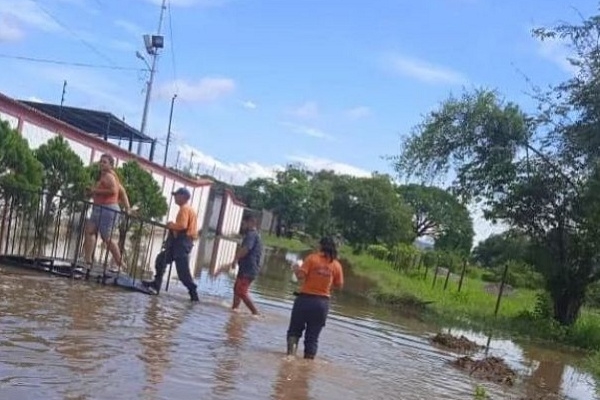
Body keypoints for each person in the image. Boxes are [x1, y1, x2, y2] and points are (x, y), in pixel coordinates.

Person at [286, 237, 344, 360]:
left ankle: (290, 358)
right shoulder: (336, 265)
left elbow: (301, 276)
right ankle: (308, 365)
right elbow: (339, 285)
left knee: (294, 332)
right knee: (312, 338)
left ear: (321, 246)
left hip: (305, 300)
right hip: (322, 304)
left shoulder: (312, 258)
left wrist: (296, 269)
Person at [142, 188, 200, 302]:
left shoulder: (184, 209)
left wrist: (171, 225)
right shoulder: (188, 209)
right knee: (161, 259)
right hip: (182, 242)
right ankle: (156, 284)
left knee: (182, 273)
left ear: (183, 196)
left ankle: (194, 294)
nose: (174, 197)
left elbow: (182, 226)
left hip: (182, 243)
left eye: (176, 195)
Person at [83, 153, 128, 272]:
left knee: (106, 237)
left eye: (105, 162)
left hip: (107, 209)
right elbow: (122, 191)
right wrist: (92, 192)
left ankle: (120, 263)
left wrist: (95, 190)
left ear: (111, 165)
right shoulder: (106, 176)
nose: (102, 164)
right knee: (90, 231)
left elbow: (113, 190)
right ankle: (87, 261)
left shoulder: (109, 176)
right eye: (101, 161)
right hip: (99, 208)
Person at [229, 214, 263, 315]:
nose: (242, 226)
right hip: (245, 267)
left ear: (251, 223)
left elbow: (246, 249)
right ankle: (234, 310)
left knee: (241, 291)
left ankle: (255, 313)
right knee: (236, 289)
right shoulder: (252, 235)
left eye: (244, 223)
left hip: (249, 269)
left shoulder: (252, 235)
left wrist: (235, 259)